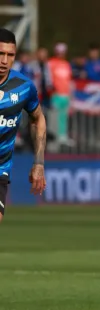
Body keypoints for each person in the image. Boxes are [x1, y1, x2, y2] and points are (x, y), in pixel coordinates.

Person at [0, 28, 47, 222]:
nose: (4, 61)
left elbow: (38, 119)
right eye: (0, 54)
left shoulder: (24, 86)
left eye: (10, 55)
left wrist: (39, 163)